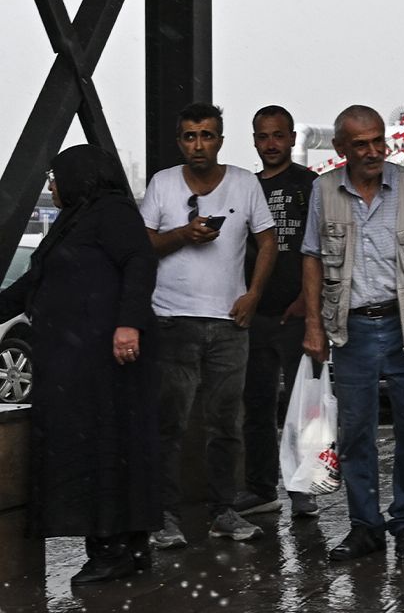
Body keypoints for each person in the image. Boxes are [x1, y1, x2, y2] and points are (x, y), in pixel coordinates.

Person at [301, 104, 404, 563]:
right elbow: (311, 258)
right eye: (361, 145)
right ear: (341, 148)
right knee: (355, 433)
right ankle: (365, 526)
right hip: (351, 329)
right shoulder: (324, 190)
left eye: (378, 142)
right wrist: (313, 325)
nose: (372, 152)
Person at [0, 146, 159, 585]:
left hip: (104, 363)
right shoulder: (73, 222)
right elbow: (32, 283)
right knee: (108, 449)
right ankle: (129, 547)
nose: (52, 186)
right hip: (80, 363)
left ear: (80, 177)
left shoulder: (111, 213)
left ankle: (111, 551)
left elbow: (140, 261)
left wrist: (128, 323)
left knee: (102, 451)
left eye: (56, 177)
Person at [141, 103, 277, 548]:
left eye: (206, 135)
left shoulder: (244, 182)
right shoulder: (163, 183)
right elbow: (144, 245)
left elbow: (268, 240)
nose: (198, 144)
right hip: (172, 319)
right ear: (180, 142)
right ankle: (164, 516)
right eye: (190, 136)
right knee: (170, 422)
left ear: (220, 139)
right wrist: (184, 234)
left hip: (228, 321)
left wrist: (253, 294)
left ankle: (224, 512)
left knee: (226, 424)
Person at [233, 105, 319, 520]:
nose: (271, 144)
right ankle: (260, 488)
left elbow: (322, 247)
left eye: (278, 135)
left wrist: (307, 298)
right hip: (255, 316)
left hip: (297, 314)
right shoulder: (245, 188)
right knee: (257, 405)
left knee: (304, 407)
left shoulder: (310, 185)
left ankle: (304, 489)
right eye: (263, 136)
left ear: (291, 139)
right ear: (254, 140)